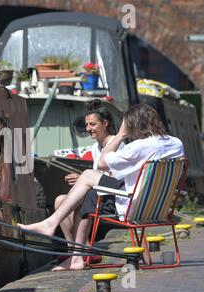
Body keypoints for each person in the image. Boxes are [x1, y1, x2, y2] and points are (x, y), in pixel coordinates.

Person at [18, 103, 185, 271]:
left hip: (133, 206)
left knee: (87, 184)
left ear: (135, 124)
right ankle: (68, 245)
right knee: (87, 184)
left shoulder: (138, 146)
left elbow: (103, 163)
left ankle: (63, 240)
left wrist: (120, 134)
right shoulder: (177, 143)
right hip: (157, 207)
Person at [55, 100, 124, 266]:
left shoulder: (116, 144)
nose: (88, 129)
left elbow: (117, 178)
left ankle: (83, 252)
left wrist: (82, 180)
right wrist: (81, 179)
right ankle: (74, 251)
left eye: (92, 124)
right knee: (59, 200)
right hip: (98, 194)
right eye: (86, 125)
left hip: (113, 197)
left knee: (82, 200)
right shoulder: (96, 147)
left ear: (105, 123)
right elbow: (100, 175)